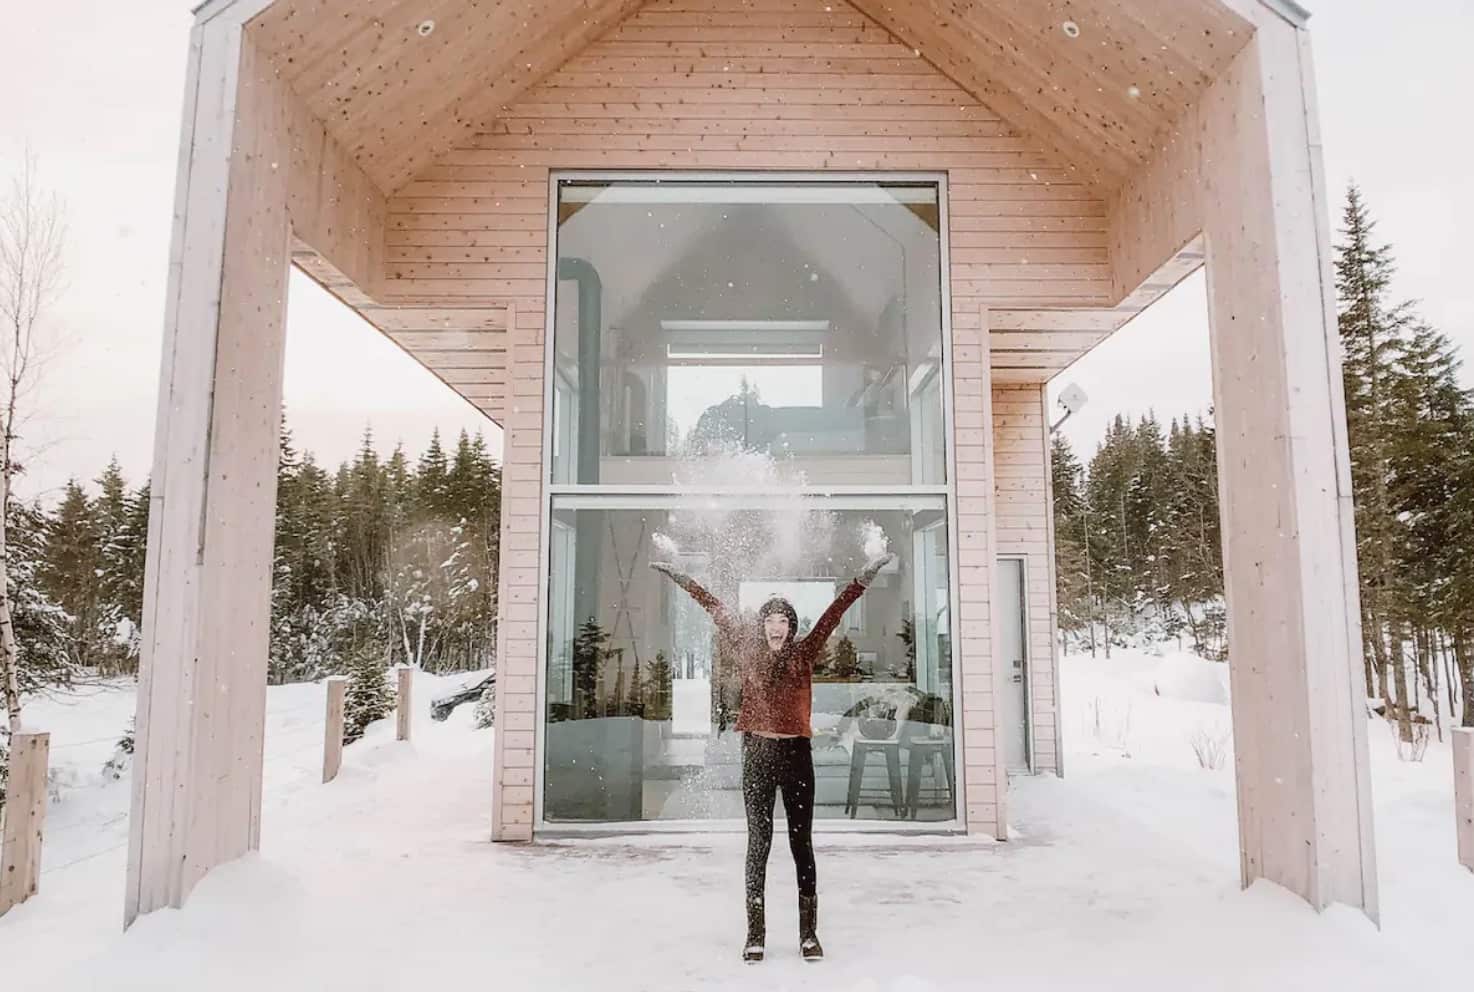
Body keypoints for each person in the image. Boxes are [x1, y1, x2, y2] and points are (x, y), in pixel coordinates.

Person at [651, 553, 897, 964]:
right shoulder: (747, 647)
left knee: (802, 844)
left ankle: (809, 935)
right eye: (770, 620)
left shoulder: (806, 651)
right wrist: (681, 576)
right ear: (761, 625)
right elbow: (714, 607)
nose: (776, 627)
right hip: (759, 756)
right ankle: (755, 934)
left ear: (791, 626)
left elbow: (836, 611)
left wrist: (865, 577)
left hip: (796, 755)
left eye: (783, 621)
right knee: (758, 845)